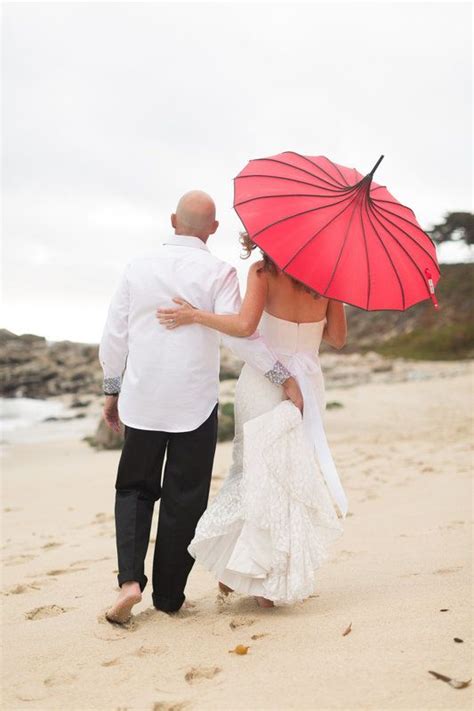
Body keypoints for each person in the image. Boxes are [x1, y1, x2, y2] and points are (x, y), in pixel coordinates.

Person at [99, 191, 303, 623]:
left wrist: (112, 389)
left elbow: (115, 334)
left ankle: (130, 582)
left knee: (134, 490)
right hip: (193, 403)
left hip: (143, 398)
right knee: (185, 498)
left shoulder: (137, 267)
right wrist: (280, 375)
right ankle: (170, 597)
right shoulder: (219, 271)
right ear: (213, 229)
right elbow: (239, 335)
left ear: (173, 219)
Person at [157, 231, 349, 607]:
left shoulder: (262, 272)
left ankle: (247, 572)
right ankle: (259, 577)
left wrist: (194, 314)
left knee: (252, 471)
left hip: (264, 379)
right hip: (307, 382)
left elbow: (245, 327)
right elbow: (339, 339)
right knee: (290, 475)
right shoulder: (329, 280)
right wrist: (313, 315)